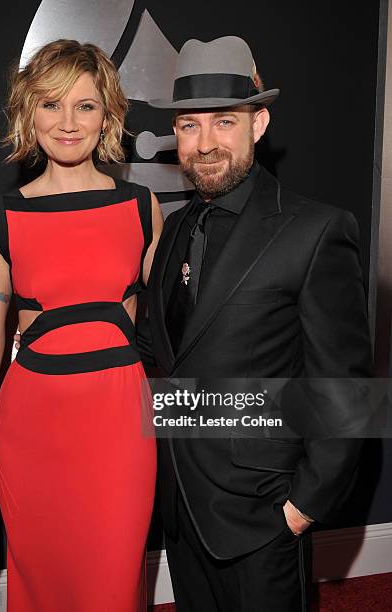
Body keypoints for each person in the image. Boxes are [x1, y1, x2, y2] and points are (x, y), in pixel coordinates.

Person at [144, 36, 372, 611]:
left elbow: (344, 387)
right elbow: (161, 358)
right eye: (190, 126)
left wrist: (301, 508)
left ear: (259, 122)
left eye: (225, 122)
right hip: (181, 510)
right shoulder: (173, 233)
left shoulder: (315, 230)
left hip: (263, 515)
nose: (206, 143)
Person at [0, 39, 162, 611]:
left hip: (120, 426)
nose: (68, 123)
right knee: (43, 585)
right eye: (51, 104)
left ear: (108, 116)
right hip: (34, 429)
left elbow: (166, 329)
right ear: (28, 114)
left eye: (85, 106)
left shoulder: (142, 207)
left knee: (113, 588)